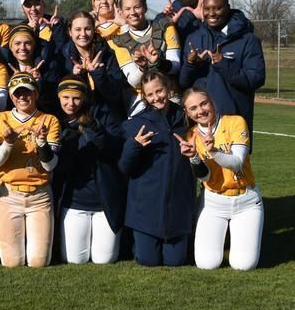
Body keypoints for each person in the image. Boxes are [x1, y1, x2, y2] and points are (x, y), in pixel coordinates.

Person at [177, 88, 263, 271]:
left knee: (243, 265)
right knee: (207, 264)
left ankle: (236, 243)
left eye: (203, 103)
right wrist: (193, 157)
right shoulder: (191, 136)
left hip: (245, 200)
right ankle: (224, 242)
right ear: (187, 112)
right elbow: (205, 176)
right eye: (193, 108)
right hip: (213, 202)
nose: (200, 111)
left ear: (212, 102)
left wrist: (214, 151)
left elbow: (237, 163)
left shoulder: (235, 122)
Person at [118, 70, 195, 267]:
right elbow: (124, 166)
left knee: (175, 261)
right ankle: (138, 241)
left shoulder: (186, 119)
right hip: (146, 207)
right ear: (144, 96)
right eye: (150, 94)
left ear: (168, 89)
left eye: (159, 91)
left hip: (178, 206)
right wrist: (133, 145)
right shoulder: (135, 124)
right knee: (147, 260)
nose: (156, 97)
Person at [0, 73, 60, 267]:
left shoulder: (48, 120)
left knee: (38, 262)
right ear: (11, 97)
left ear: (36, 94)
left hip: (40, 195)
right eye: (17, 93)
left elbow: (50, 165)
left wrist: (41, 143)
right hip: (9, 194)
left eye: (27, 92)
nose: (22, 97)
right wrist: (8, 143)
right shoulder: (1, 119)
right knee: (12, 263)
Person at [54, 76, 125, 264]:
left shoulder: (101, 114)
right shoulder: (54, 121)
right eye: (66, 97)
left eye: (76, 98)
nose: (71, 103)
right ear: (59, 97)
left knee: (104, 259)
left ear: (84, 98)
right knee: (75, 260)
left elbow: (114, 148)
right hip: (74, 202)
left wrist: (94, 129)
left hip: (104, 201)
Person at [178, 0, 265, 135]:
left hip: (232, 124)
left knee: (232, 159)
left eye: (218, 8)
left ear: (228, 8)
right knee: (197, 158)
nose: (211, 13)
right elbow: (183, 83)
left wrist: (223, 64)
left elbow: (256, 79)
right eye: (207, 8)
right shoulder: (194, 38)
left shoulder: (247, 40)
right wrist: (191, 64)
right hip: (199, 125)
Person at [108, 0, 182, 116]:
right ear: (121, 12)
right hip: (141, 98)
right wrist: (142, 68)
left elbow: (175, 66)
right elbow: (133, 81)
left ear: (145, 7)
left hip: (169, 93)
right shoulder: (119, 41)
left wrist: (158, 62)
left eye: (137, 7)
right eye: (127, 9)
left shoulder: (165, 27)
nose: (133, 13)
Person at [60, 11, 129, 126]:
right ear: (70, 32)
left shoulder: (106, 53)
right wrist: (76, 77)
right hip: (78, 120)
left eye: (87, 29)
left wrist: (98, 74)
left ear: (94, 30)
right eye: (78, 29)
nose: (83, 34)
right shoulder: (63, 56)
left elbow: (115, 94)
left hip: (108, 118)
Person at [1, 25, 61, 112]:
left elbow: (52, 103)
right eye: (17, 43)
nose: (22, 48)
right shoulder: (4, 66)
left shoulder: (48, 66)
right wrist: (11, 83)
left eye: (27, 43)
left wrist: (38, 83)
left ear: (34, 46)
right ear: (11, 47)